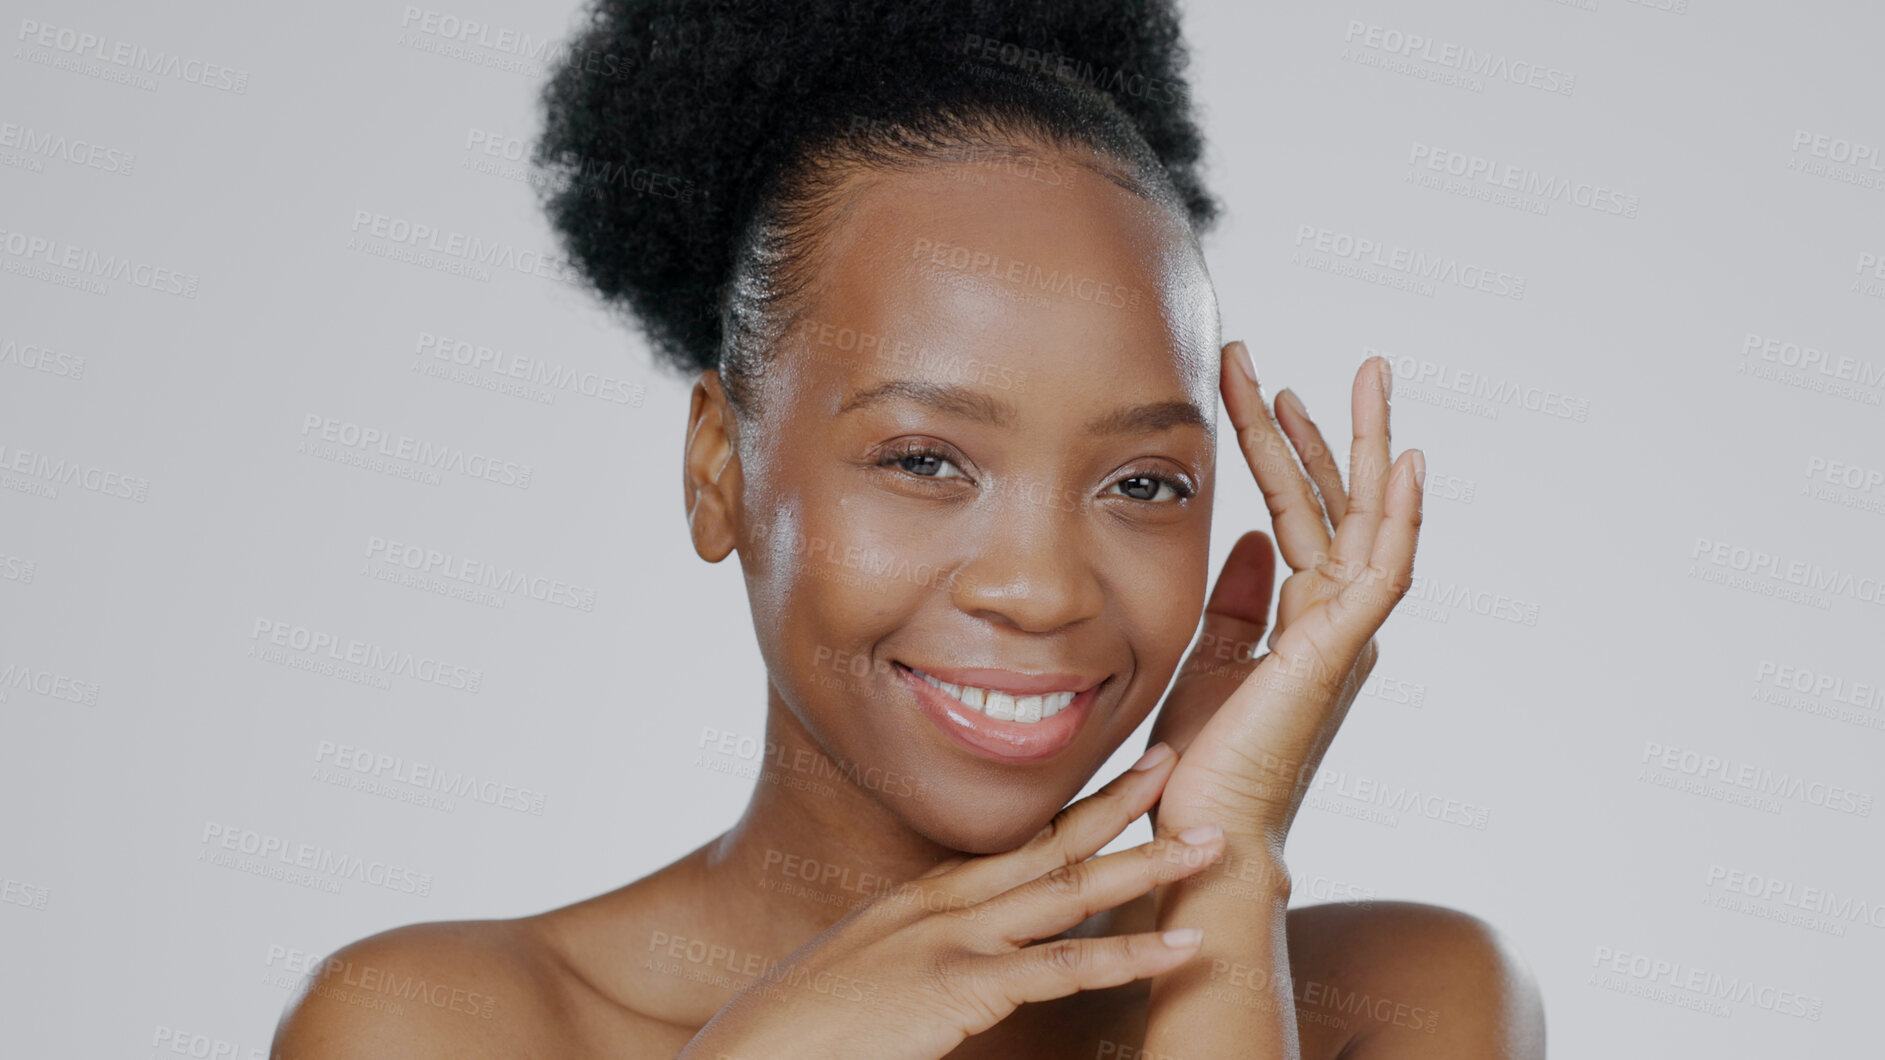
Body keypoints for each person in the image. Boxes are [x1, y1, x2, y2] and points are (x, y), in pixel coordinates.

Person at [272, 1, 1546, 1055]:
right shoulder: (441, 1026)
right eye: (926, 458)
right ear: (719, 470)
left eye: (1143, 483)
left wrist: (1222, 864)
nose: (1042, 589)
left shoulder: (1398, 1000)